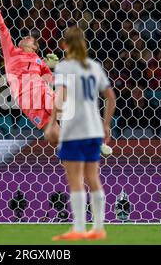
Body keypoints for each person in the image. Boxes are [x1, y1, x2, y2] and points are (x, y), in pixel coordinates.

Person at [44, 27, 116, 241]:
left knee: (75, 180)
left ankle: (78, 228)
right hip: (94, 128)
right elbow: (111, 98)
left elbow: (61, 96)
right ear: (84, 44)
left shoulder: (65, 67)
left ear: (64, 45)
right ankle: (99, 228)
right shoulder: (95, 66)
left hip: (74, 129)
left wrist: (51, 122)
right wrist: (106, 125)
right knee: (93, 178)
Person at [0, 0, 60, 137]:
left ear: (35, 47)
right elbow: (3, 29)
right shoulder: (11, 52)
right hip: (25, 98)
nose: (25, 37)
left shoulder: (39, 61)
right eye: (25, 36)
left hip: (42, 91)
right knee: (51, 132)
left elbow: (50, 78)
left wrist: (57, 66)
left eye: (29, 38)